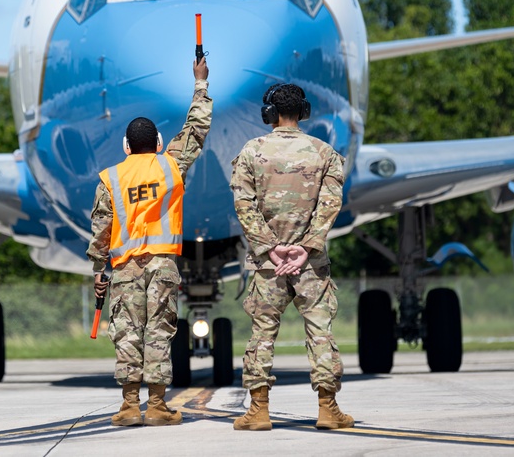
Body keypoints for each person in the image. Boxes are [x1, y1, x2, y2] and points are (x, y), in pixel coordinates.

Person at [87, 57, 211, 427]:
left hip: (125, 268)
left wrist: (98, 270)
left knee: (126, 333)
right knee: (159, 332)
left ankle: (129, 406)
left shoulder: (110, 178)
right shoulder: (170, 165)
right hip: (162, 265)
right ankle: (157, 406)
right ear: (158, 143)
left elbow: (101, 229)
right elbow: (196, 128)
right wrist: (200, 83)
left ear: (126, 147)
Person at [230, 83, 353, 431]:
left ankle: (259, 410)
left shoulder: (252, 151)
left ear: (269, 114)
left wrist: (270, 246)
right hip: (310, 264)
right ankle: (328, 409)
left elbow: (244, 205)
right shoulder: (324, 153)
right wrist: (306, 246)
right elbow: (330, 204)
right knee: (320, 332)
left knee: (262, 334)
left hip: (268, 264)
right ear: (304, 111)